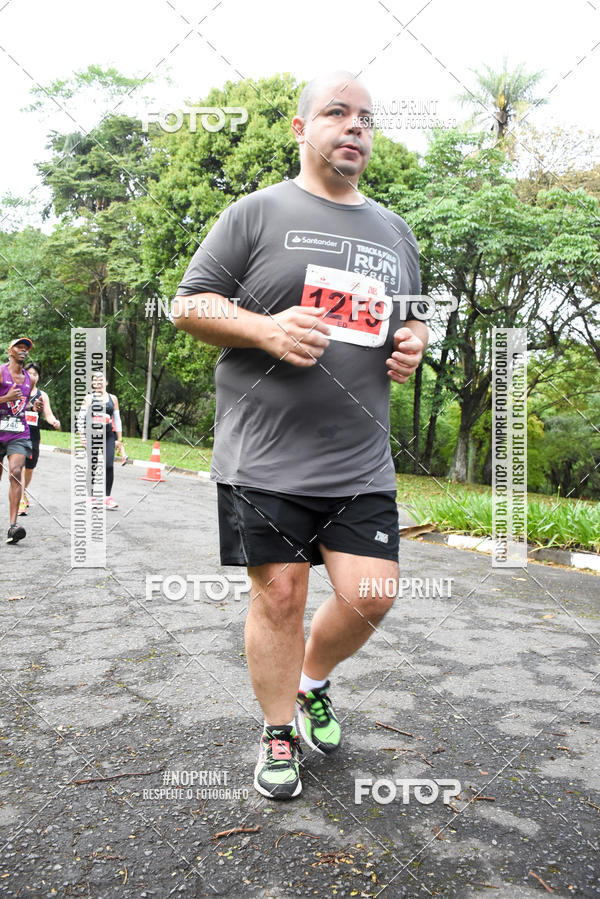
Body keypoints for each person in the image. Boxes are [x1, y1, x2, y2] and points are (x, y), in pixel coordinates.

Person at [172, 71, 429, 800]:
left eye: (367, 119)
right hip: (265, 453)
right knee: (281, 594)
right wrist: (265, 327)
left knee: (372, 594)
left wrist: (414, 339)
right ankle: (278, 726)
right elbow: (189, 306)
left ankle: (313, 679)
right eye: (337, 113)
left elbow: (407, 318)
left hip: (358, 458)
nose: (356, 128)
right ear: (299, 127)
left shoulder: (394, 230)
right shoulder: (255, 213)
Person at [0, 338, 42, 544]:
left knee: (16, 472)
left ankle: (13, 526)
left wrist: (33, 408)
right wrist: (4, 398)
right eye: (19, 347)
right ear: (10, 350)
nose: (23, 350)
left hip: (18, 432)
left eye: (26, 348)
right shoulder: (1, 372)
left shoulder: (29, 379)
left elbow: (20, 405)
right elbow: (9, 401)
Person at [18, 361, 61, 516]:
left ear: (38, 377)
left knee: (29, 468)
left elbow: (48, 415)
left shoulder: (42, 395)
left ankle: (23, 492)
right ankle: (20, 500)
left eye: (35, 374)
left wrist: (54, 421)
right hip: (18, 434)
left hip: (34, 436)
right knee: (20, 467)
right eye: (29, 373)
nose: (31, 376)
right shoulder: (18, 390)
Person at [78, 374, 125, 510]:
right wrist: (81, 435)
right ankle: (90, 497)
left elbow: (117, 420)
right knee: (92, 465)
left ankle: (106, 498)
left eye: (101, 379)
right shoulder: (88, 398)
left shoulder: (113, 399)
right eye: (95, 379)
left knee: (109, 465)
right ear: (92, 383)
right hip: (92, 435)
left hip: (108, 436)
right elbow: (81, 418)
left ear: (106, 382)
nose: (98, 382)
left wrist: (119, 439)